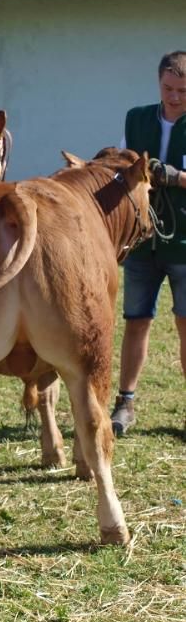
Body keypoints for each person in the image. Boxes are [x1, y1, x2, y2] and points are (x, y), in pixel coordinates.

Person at [111, 50, 186, 435]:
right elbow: (123, 162)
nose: (174, 97)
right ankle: (125, 402)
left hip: (185, 245)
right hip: (144, 239)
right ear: (159, 82)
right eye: (168, 88)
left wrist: (176, 177)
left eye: (182, 91)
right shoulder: (137, 118)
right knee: (136, 321)